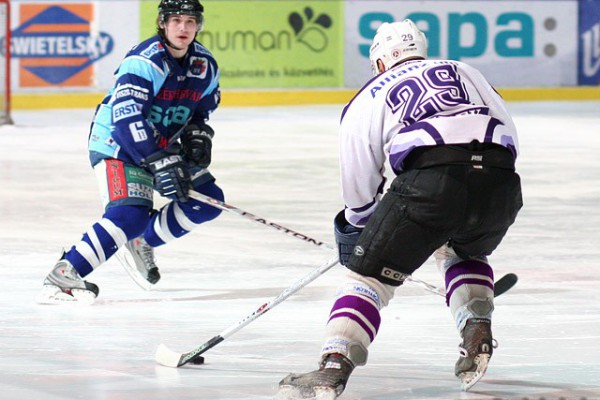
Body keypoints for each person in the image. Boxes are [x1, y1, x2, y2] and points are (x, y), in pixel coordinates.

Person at [278, 19, 522, 398]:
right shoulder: (467, 70)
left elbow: (359, 181)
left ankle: (332, 368)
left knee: (368, 278)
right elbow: (507, 129)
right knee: (463, 250)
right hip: (501, 182)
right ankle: (476, 327)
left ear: (378, 62)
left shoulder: (369, 93)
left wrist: (361, 231)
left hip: (432, 182)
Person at [37, 0, 223, 304]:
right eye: (176, 20)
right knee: (129, 213)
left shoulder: (205, 64)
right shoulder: (145, 60)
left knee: (208, 202)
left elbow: (201, 111)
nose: (183, 28)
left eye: (190, 21)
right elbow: (126, 116)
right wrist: (157, 159)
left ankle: (140, 240)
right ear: (162, 23)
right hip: (118, 143)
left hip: (160, 144)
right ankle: (64, 272)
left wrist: (196, 138)